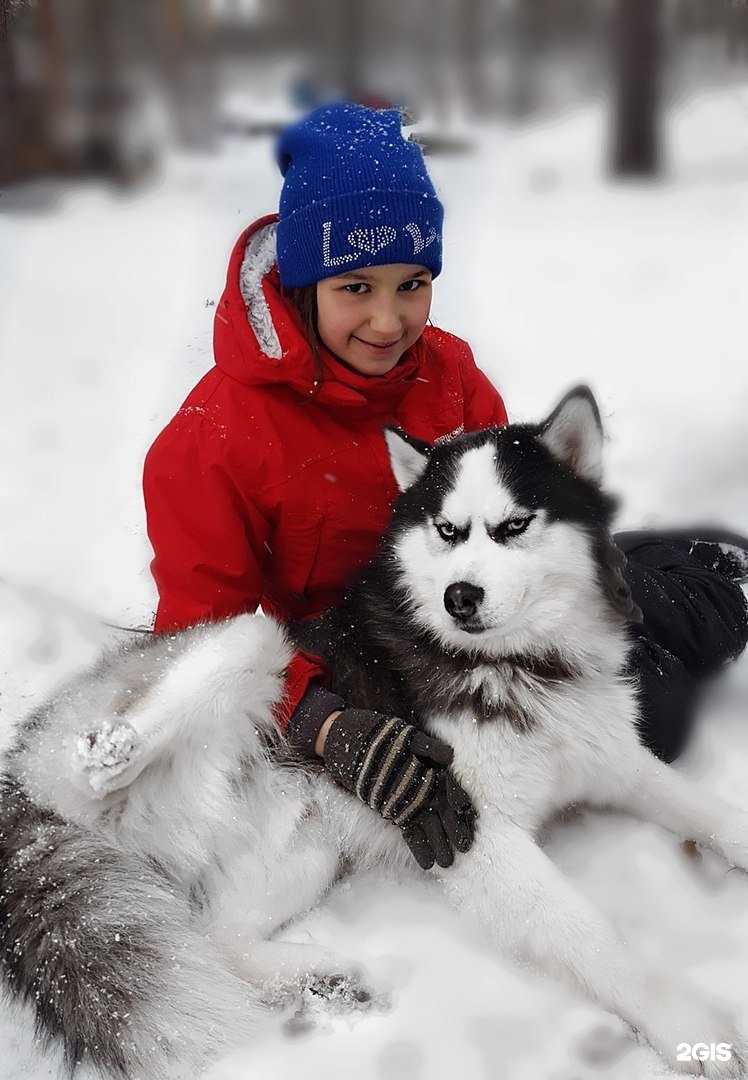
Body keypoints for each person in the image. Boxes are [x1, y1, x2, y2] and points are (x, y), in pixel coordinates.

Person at [143, 102, 748, 870]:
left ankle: (712, 589)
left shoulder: (447, 369)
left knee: (695, 565)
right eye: (355, 287)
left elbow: (509, 511)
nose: (390, 320)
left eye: (413, 283)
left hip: (481, 608)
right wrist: (324, 725)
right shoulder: (211, 440)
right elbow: (201, 641)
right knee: (649, 696)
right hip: (371, 672)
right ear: (303, 282)